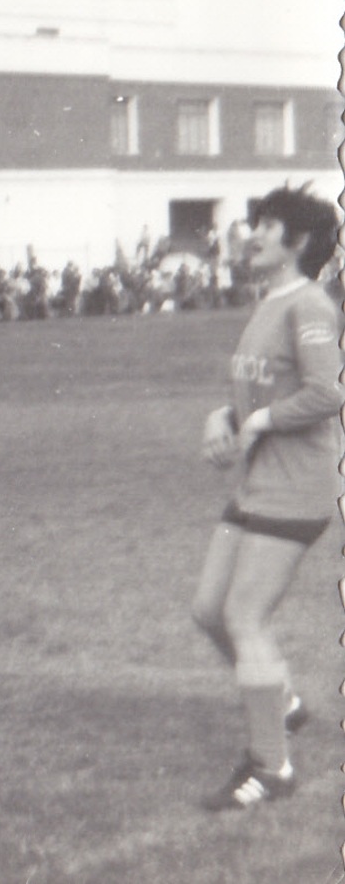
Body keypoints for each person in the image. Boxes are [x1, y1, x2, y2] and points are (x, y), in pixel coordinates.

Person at [191, 184, 341, 811]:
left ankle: (271, 766)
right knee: (208, 611)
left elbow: (328, 393)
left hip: (295, 489)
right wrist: (222, 416)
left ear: (299, 242)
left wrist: (257, 424)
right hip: (257, 485)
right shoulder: (269, 301)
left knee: (244, 618)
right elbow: (259, 388)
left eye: (266, 225)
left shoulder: (308, 304)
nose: (251, 233)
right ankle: (279, 700)